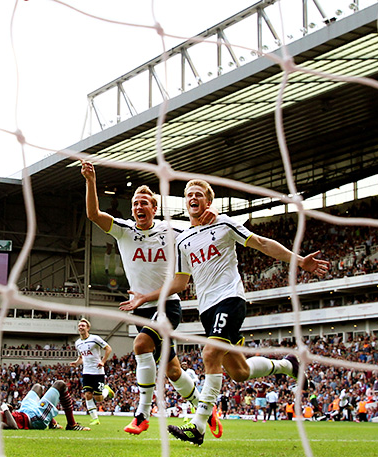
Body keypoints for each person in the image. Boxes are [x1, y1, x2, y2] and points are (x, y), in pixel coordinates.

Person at [124, 179, 330, 446]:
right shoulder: (183, 239)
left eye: (198, 195)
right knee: (239, 372)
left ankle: (197, 426)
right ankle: (286, 365)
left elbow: (262, 243)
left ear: (208, 202)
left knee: (209, 353)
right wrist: (146, 297)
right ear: (185, 202)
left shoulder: (224, 224)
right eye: (188, 195)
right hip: (207, 310)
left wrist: (299, 260)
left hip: (230, 299)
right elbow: (180, 283)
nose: (192, 198)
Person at [80, 160, 222, 438]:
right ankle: (205, 407)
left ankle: (143, 414)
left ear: (154, 209)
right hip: (140, 309)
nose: (138, 207)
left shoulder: (172, 233)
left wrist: (211, 215)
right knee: (172, 370)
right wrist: (90, 181)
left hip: (167, 305)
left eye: (144, 203)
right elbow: (94, 214)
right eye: (135, 203)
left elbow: (201, 228)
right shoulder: (123, 230)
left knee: (141, 344)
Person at [0, 380, 89, 431]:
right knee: (60, 384)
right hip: (34, 418)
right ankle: (72, 425)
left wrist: (7, 410)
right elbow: (13, 427)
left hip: (24, 411)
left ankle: (53, 424)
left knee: (37, 387)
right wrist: (5, 409)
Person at [70, 318, 115, 426]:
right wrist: (76, 363)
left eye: (83, 326)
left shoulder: (95, 338)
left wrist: (103, 361)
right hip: (86, 372)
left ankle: (106, 390)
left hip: (98, 371)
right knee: (87, 394)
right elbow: (82, 356)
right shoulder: (78, 343)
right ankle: (95, 419)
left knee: (98, 398)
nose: (80, 327)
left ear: (88, 328)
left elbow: (108, 348)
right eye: (79, 326)